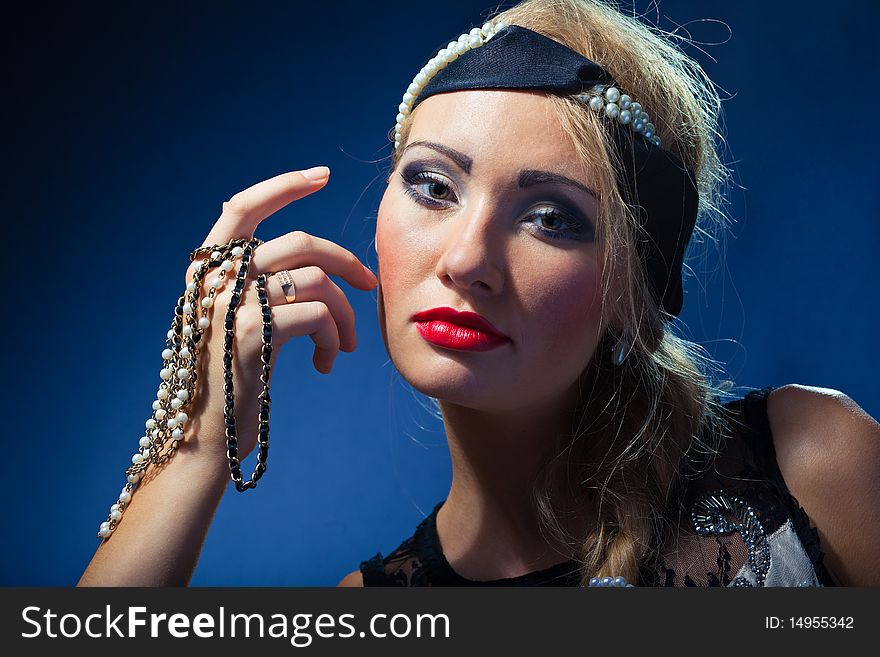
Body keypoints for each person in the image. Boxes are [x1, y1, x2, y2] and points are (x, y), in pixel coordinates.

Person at [78, 0, 880, 588]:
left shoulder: (810, 463)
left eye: (551, 217)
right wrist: (199, 436)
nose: (467, 259)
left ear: (634, 291)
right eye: (432, 184)